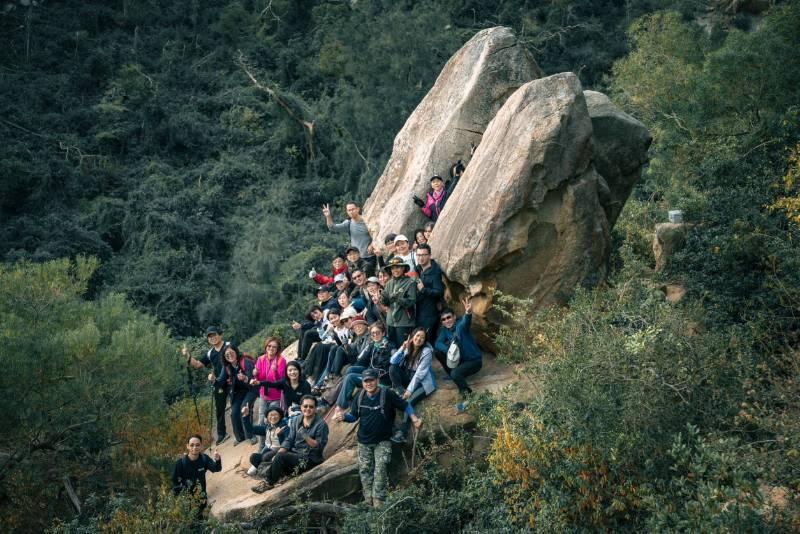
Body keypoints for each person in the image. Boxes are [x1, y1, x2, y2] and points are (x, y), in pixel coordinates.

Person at [333, 368, 422, 507]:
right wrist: (344, 417)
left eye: (371, 380)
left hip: (383, 441)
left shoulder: (387, 394)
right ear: (362, 383)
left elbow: (405, 405)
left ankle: (378, 504)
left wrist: (415, 419)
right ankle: (369, 502)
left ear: (377, 381)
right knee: (365, 471)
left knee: (380, 470)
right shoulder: (360, 397)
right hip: (364, 442)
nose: (369, 383)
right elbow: (354, 416)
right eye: (366, 381)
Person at [252, 395, 329, 493]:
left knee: (281, 458)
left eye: (311, 407)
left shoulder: (321, 425)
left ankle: (268, 483)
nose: (308, 409)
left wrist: (306, 436)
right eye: (305, 406)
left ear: (315, 408)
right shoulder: (297, 420)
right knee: (274, 456)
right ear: (301, 407)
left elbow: (319, 447)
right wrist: (278, 453)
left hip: (309, 458)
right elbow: (289, 439)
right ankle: (278, 475)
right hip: (295, 453)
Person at [183, 326, 232, 444]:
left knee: (237, 404)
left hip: (232, 379)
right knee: (219, 408)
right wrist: (187, 355)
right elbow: (197, 365)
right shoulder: (210, 353)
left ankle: (243, 426)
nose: (212, 338)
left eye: (214, 335)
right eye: (209, 337)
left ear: (220, 334)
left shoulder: (229, 345)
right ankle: (222, 434)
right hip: (218, 383)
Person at [388, 328, 436, 443]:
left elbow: (419, 374)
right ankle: (400, 391)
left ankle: (402, 432)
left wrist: (409, 390)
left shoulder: (426, 352)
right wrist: (403, 348)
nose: (419, 339)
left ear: (424, 340)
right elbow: (392, 361)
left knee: (408, 401)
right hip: (409, 378)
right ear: (412, 336)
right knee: (392, 368)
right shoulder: (408, 348)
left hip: (423, 383)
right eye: (417, 335)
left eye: (422, 337)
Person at [334, 322, 395, 410]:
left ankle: (340, 407)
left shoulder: (389, 346)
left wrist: (368, 372)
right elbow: (361, 359)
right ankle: (347, 397)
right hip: (371, 371)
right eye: (372, 334)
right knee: (350, 369)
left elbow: (383, 367)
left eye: (377, 333)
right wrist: (364, 349)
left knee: (350, 377)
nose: (375, 335)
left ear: (383, 333)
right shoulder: (373, 345)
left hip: (380, 379)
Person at [435, 297, 482, 396]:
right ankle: (453, 374)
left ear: (454, 317)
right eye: (443, 319)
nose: (447, 321)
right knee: (438, 352)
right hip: (460, 360)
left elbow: (465, 322)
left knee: (456, 374)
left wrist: (468, 313)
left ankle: (468, 395)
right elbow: (438, 343)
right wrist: (447, 350)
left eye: (448, 317)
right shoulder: (445, 331)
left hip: (474, 361)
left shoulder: (460, 326)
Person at [217, 344, 257, 445]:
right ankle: (240, 437)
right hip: (238, 393)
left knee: (244, 409)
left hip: (251, 389)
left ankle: (251, 435)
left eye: (231, 352)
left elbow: (252, 378)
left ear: (236, 352)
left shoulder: (245, 362)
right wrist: (213, 380)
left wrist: (244, 378)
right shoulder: (226, 367)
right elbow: (220, 381)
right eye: (227, 355)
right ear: (225, 357)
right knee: (234, 413)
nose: (230, 355)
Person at [171, 434, 222, 516]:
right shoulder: (180, 463)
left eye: (197, 445)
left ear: (201, 446)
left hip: (202, 500)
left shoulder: (204, 459)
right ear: (187, 446)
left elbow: (216, 468)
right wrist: (181, 501)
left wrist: (217, 460)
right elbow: (174, 483)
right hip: (188, 503)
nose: (194, 447)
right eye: (192, 445)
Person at [250, 337, 287, 436]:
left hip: (276, 396)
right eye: (269, 346)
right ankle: (262, 447)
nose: (271, 348)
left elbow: (280, 381)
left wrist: (275, 371)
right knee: (261, 420)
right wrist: (255, 374)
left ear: (278, 349)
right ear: (266, 347)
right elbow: (259, 377)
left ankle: (274, 443)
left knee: (271, 420)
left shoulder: (281, 361)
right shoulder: (261, 359)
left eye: (274, 347)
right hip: (263, 394)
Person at [381, 257, 417, 348]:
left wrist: (397, 299)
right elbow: (386, 303)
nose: (395, 270)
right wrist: (383, 298)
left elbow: (411, 302)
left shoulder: (410, 282)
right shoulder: (389, 283)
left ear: (403, 268)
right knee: (392, 347)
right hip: (390, 322)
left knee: (404, 348)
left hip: (404, 322)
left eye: (397, 267)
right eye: (392, 268)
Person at [247, 403, 288, 476]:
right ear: (267, 417)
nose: (273, 417)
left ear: (280, 416)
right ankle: (265, 472)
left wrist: (279, 435)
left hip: (280, 453)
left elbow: (287, 444)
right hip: (267, 452)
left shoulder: (284, 427)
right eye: (271, 415)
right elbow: (250, 429)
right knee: (253, 457)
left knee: (266, 456)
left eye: (275, 415)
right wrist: (246, 417)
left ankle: (274, 473)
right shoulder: (267, 427)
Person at [414, 243, 444, 338]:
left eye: (423, 255)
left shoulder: (435, 272)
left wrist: (423, 289)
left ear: (429, 256)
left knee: (426, 339)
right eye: (418, 255)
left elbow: (439, 292)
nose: (420, 258)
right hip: (418, 310)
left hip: (429, 313)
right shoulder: (418, 268)